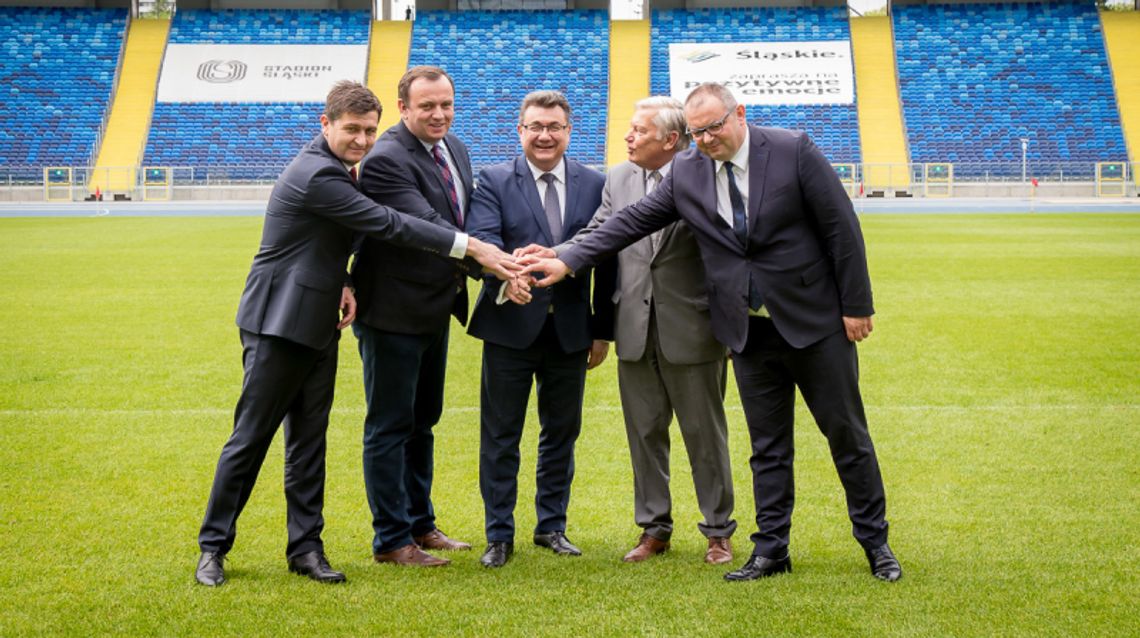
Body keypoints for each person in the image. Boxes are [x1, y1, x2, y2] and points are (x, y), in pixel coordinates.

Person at [519, 82, 903, 582]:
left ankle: (875, 544)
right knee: (767, 448)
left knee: (847, 436)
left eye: (713, 127)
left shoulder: (793, 150)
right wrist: (565, 258)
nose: (705, 140)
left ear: (738, 114)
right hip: (746, 332)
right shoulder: (687, 171)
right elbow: (630, 222)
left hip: (814, 324)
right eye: (696, 133)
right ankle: (771, 551)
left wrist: (856, 305)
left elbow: (841, 228)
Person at [194, 80, 517, 587]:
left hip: (320, 318)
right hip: (278, 321)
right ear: (325, 124)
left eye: (369, 130)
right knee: (251, 438)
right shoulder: (317, 173)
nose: (364, 141)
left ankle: (305, 549)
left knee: (308, 442)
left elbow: (322, 241)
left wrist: (344, 278)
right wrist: (475, 249)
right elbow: (388, 223)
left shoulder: (340, 170)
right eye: (352, 130)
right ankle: (213, 547)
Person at [523, 97, 736, 565]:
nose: (628, 137)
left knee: (705, 435)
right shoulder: (618, 177)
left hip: (693, 325)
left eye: (639, 131)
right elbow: (600, 232)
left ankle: (718, 532)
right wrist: (555, 254)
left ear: (670, 140)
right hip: (634, 325)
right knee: (644, 433)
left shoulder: (706, 174)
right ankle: (653, 528)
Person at [464, 90, 616, 568]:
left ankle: (551, 526)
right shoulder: (492, 179)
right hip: (509, 325)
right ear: (520, 130)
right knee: (501, 435)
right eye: (536, 127)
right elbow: (483, 238)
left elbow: (606, 257)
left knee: (561, 433)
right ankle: (499, 534)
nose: (545, 135)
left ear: (569, 132)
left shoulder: (596, 183)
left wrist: (603, 330)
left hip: (571, 331)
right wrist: (510, 274)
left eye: (555, 127)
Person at [352, 66, 474, 567]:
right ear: (403, 108)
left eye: (445, 103)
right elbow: (427, 227)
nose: (439, 114)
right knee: (389, 426)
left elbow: (466, 217)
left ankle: (421, 524)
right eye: (427, 106)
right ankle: (391, 539)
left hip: (434, 309)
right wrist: (493, 261)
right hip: (392, 313)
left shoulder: (455, 148)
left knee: (423, 421)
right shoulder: (386, 158)